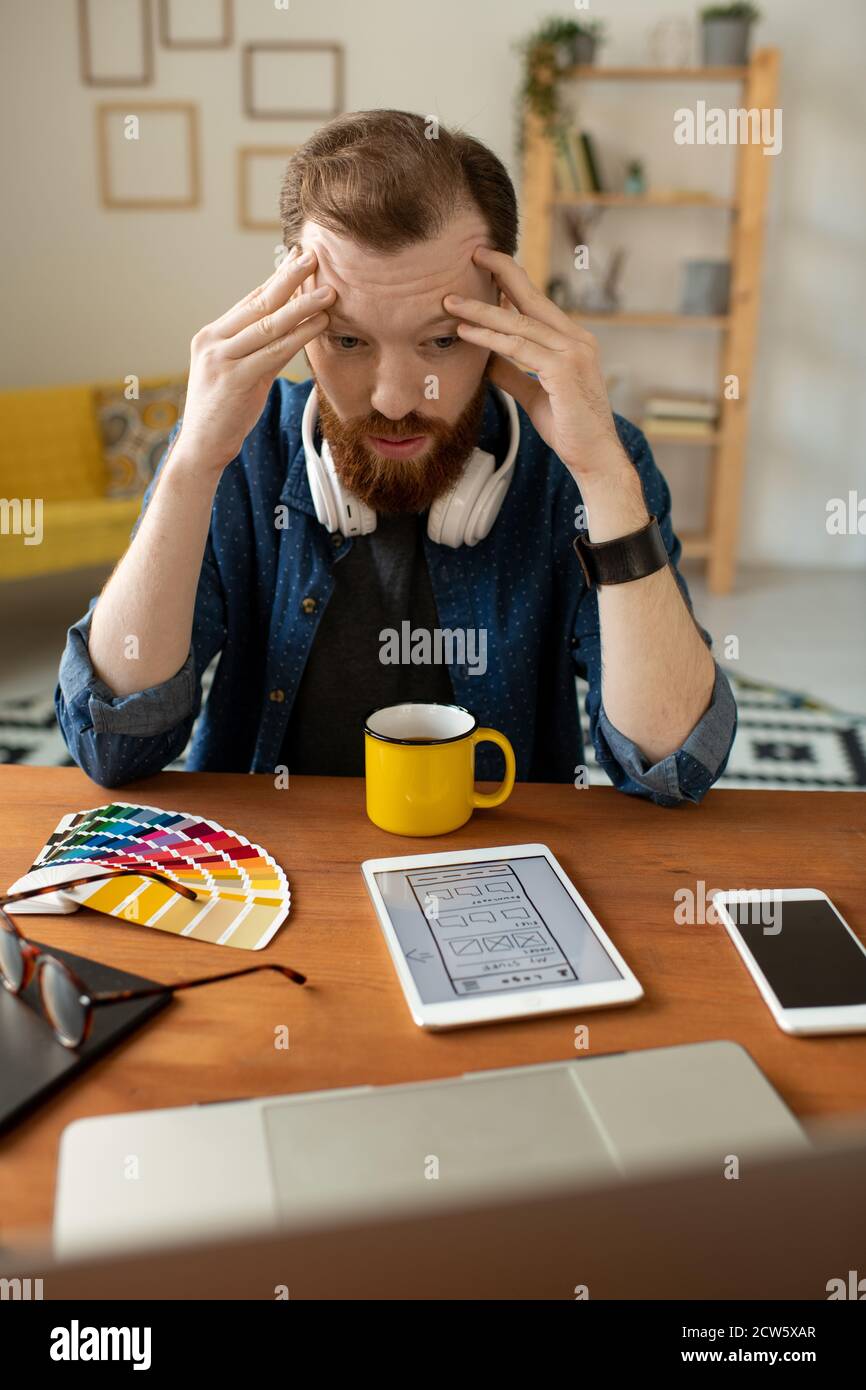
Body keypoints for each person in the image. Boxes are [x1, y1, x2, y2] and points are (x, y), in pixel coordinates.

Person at [56, 109, 736, 805]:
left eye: (442, 341)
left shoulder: (585, 468)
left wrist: (604, 479)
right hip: (263, 877)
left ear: (505, 314)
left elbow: (673, 767)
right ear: (289, 313)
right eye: (348, 342)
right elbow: (113, 744)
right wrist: (191, 465)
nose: (394, 399)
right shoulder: (239, 451)